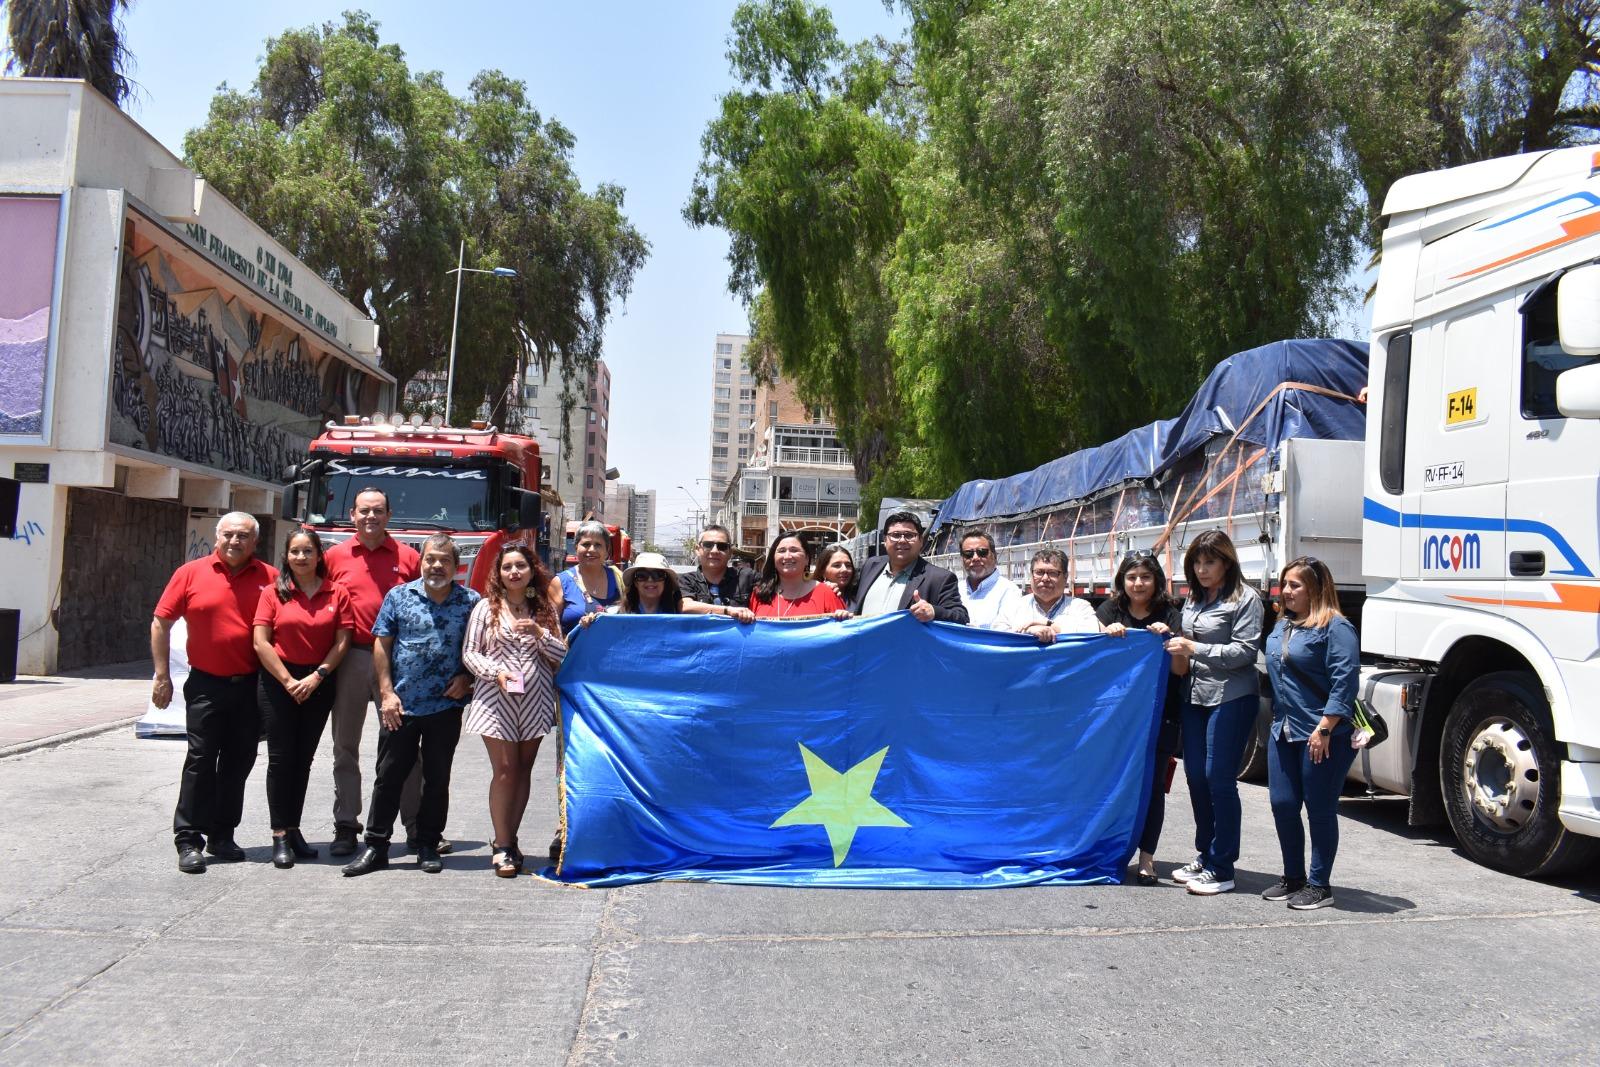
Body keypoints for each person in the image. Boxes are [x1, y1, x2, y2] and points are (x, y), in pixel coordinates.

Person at [342, 535, 479, 877]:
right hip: (400, 707)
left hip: (446, 707)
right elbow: (381, 644)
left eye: (444, 560)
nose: (437, 566)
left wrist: (467, 678)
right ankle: (376, 846)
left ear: (455, 565)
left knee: (436, 779)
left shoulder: (471, 602)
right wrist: (386, 693)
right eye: (431, 559)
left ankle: (428, 844)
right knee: (388, 777)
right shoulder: (399, 596)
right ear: (421, 561)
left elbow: (480, 647)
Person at [152, 512, 278, 873]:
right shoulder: (190, 573)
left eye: (243, 536)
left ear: (255, 541)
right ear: (216, 537)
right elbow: (161, 622)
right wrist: (162, 675)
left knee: (239, 763)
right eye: (229, 535)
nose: (235, 542)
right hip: (206, 684)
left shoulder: (269, 578)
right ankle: (188, 839)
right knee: (201, 759)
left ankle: (222, 835)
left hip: (252, 687)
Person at [322, 488, 425, 858]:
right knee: (344, 746)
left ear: (389, 515)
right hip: (351, 658)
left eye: (378, 511)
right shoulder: (333, 557)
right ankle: (346, 824)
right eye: (364, 511)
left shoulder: (409, 557)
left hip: (399, 662)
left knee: (404, 749)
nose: (371, 517)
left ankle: (416, 827)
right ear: (352, 515)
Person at [1162, 530, 1264, 896]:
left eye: (1210, 562)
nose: (1203, 570)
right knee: (1196, 779)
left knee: (1218, 779)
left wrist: (1194, 647)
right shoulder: (1194, 597)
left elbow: (1245, 653)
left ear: (1227, 562)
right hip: (1194, 695)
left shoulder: (1245, 598)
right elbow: (1186, 640)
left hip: (1231, 696)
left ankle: (1223, 866)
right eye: (1197, 563)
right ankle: (1205, 854)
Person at [460, 543, 567, 877]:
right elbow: (470, 653)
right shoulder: (485, 608)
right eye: (507, 567)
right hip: (496, 698)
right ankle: (502, 845)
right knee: (505, 769)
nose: (514, 572)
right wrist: (497, 673)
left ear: (531, 570)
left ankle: (512, 839)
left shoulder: (544, 609)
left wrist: (540, 634)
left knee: (523, 769)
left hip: (534, 699)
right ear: (499, 573)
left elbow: (561, 654)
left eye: (520, 566)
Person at [251, 529, 355, 869]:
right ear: (286, 556)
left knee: (303, 760)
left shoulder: (336, 592)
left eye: (307, 551)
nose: (301, 557)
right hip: (279, 681)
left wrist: (317, 676)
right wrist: (288, 680)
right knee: (281, 760)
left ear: (318, 555)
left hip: (319, 681)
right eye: (295, 551)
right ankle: (279, 833)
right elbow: (261, 642)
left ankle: (294, 829)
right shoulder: (272, 592)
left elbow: (342, 640)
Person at [1263, 556, 1360, 910]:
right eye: (1285, 584)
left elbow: (1344, 681)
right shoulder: (1283, 626)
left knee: (1319, 809)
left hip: (1320, 733)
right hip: (1284, 730)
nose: (1286, 591)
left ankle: (1320, 885)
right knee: (1282, 805)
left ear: (1316, 589)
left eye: (1295, 585)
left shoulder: (1336, 628)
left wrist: (1324, 728)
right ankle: (1293, 877)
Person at [1098, 551, 1190, 885]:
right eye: (1132, 577)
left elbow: (1180, 670)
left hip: (1159, 717)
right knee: (1112, 784)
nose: (1138, 583)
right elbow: (1094, 662)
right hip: (1117, 719)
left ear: (1157, 581)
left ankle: (1147, 859)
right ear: (1122, 580)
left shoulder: (1170, 614)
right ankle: (1108, 850)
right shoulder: (1108, 611)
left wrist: (1169, 642)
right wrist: (1106, 634)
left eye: (1146, 577)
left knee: (1152, 790)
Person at [850, 512, 969, 624]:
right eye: (895, 535)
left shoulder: (940, 578)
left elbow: (961, 616)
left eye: (909, 535)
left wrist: (933, 611)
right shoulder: (871, 566)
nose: (902, 540)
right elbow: (852, 599)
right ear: (885, 540)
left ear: (921, 541)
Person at [750, 535, 850, 619]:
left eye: (794, 550)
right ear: (773, 558)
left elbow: (845, 635)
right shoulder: (759, 593)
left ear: (807, 558)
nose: (787, 556)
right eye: (781, 551)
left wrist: (844, 619)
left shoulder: (827, 593)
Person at [1014, 548, 1100, 643]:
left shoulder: (1080, 607)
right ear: (1031, 575)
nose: (1045, 578)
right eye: (1039, 572)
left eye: (1052, 573)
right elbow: (999, 635)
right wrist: (1028, 631)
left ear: (1065, 577)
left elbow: (1092, 636)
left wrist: (1053, 627)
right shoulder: (1015, 606)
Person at [554, 521, 624, 634]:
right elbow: (550, 628)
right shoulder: (561, 583)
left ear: (607, 551)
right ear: (576, 547)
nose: (591, 549)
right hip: (573, 651)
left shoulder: (620, 579)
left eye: (598, 545)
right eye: (586, 544)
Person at [955, 529, 1029, 631]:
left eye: (982, 552)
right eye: (968, 554)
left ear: (994, 556)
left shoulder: (1009, 591)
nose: (975, 558)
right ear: (962, 559)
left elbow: (1004, 633)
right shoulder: (955, 589)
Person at [679, 523, 756, 611]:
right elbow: (686, 607)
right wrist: (728, 611)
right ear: (697, 549)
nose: (715, 551)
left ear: (730, 552)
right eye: (708, 545)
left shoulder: (747, 577)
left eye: (722, 546)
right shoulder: (686, 580)